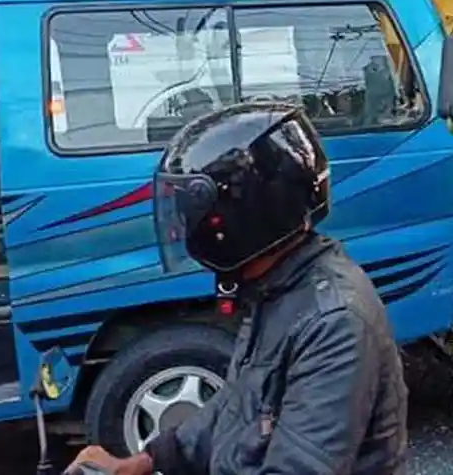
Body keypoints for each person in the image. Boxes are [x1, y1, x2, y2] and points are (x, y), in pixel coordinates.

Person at [66, 103, 408, 475]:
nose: (184, 228)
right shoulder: (276, 289)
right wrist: (146, 461)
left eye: (192, 213)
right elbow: (237, 405)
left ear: (238, 218)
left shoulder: (334, 322)